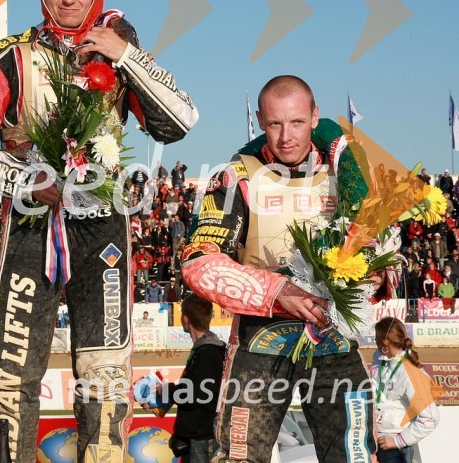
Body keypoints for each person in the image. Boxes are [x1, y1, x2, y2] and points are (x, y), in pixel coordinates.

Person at [0, 0, 198, 461]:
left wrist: (126, 55)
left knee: (104, 377)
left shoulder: (118, 53)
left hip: (103, 227)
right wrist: (23, 180)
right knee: (13, 375)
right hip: (31, 226)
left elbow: (181, 121)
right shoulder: (7, 56)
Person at [183, 75, 377, 462]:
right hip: (260, 334)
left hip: (332, 333)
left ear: (315, 116)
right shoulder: (236, 173)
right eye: (274, 124)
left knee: (352, 454)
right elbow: (198, 261)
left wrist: (376, 271)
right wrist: (279, 292)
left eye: (297, 123)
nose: (286, 136)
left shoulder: (351, 168)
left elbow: (384, 244)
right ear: (259, 120)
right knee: (239, 454)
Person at [160, 294, 225, 462]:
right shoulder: (207, 348)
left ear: (185, 319)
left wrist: (165, 390)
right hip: (198, 436)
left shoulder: (209, 351)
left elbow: (195, 395)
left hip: (203, 439)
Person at [372, 317, 440, 462]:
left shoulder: (411, 373)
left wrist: (397, 441)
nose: (374, 341)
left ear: (385, 341)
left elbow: (430, 418)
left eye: (376, 338)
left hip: (393, 447)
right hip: (373, 438)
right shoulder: (378, 356)